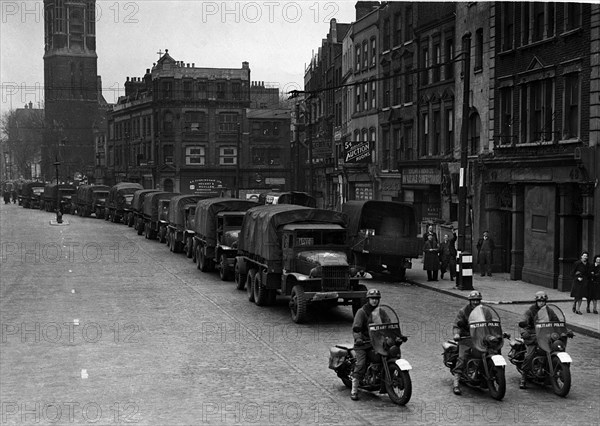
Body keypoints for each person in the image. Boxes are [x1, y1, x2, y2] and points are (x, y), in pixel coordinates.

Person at [351, 288, 390, 401]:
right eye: (372, 299)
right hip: (364, 343)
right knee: (361, 363)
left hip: (377, 342)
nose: (374, 301)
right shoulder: (362, 312)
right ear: (368, 299)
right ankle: (354, 389)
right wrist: (358, 339)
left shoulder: (381, 312)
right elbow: (356, 328)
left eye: (376, 299)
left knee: (390, 353)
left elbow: (389, 324)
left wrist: (396, 334)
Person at [451, 290, 482, 395]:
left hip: (480, 337)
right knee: (462, 357)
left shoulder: (484, 310)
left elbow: (490, 321)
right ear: (470, 301)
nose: (476, 302)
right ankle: (456, 383)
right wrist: (457, 334)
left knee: (492, 351)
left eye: (477, 300)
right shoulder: (463, 311)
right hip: (466, 337)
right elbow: (457, 324)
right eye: (474, 300)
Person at [517, 291, 548, 389]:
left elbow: (556, 321)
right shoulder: (530, 311)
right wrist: (524, 332)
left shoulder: (549, 311)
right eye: (540, 301)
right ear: (536, 301)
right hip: (533, 336)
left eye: (543, 301)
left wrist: (565, 330)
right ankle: (524, 377)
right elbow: (523, 322)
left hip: (545, 335)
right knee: (530, 355)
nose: (542, 303)